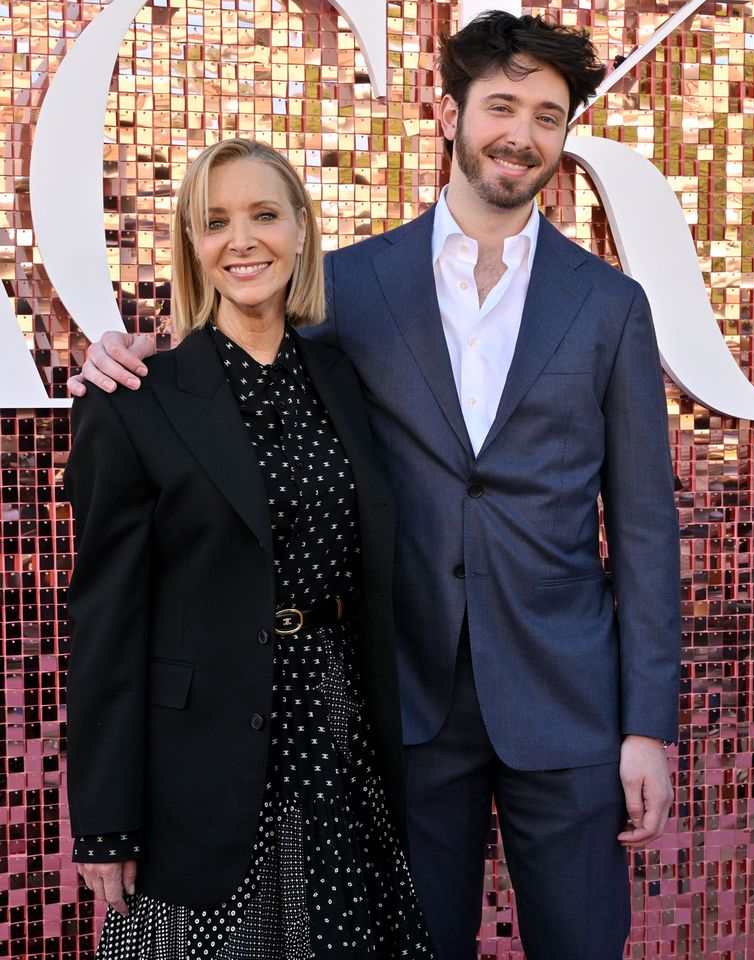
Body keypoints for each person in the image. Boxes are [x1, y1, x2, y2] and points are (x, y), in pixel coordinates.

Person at [69, 12, 681, 960]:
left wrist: (647, 727)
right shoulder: (350, 288)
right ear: (448, 111)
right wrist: (128, 354)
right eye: (501, 106)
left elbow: (642, 529)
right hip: (399, 703)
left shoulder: (609, 305)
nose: (520, 135)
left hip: (568, 705)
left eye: (547, 116)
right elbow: (233, 377)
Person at [64, 137, 433, 959]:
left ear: (300, 230)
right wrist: (104, 821)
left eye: (263, 215)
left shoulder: (343, 380)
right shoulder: (135, 399)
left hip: (335, 735)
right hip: (195, 761)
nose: (241, 241)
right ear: (192, 245)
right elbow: (105, 626)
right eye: (215, 221)